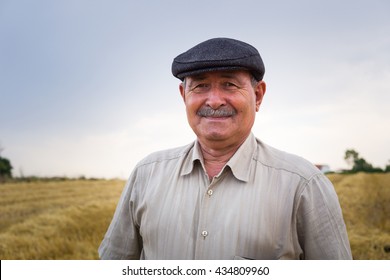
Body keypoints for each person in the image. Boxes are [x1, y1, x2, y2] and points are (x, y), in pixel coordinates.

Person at [98, 38, 352, 260]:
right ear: (183, 95)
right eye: (200, 86)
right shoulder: (146, 174)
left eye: (229, 85)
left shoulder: (303, 185)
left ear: (258, 95)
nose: (215, 100)